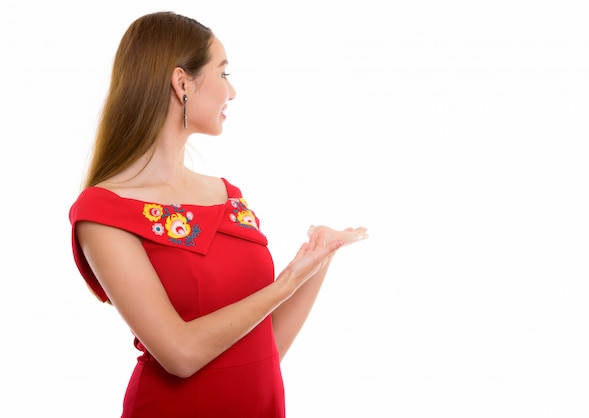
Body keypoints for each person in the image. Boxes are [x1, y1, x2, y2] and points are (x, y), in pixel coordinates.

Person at [68, 11, 367, 418]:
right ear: (182, 82)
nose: (233, 91)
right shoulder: (103, 212)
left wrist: (318, 259)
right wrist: (286, 283)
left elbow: (266, 347)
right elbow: (181, 353)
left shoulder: (228, 196)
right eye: (224, 73)